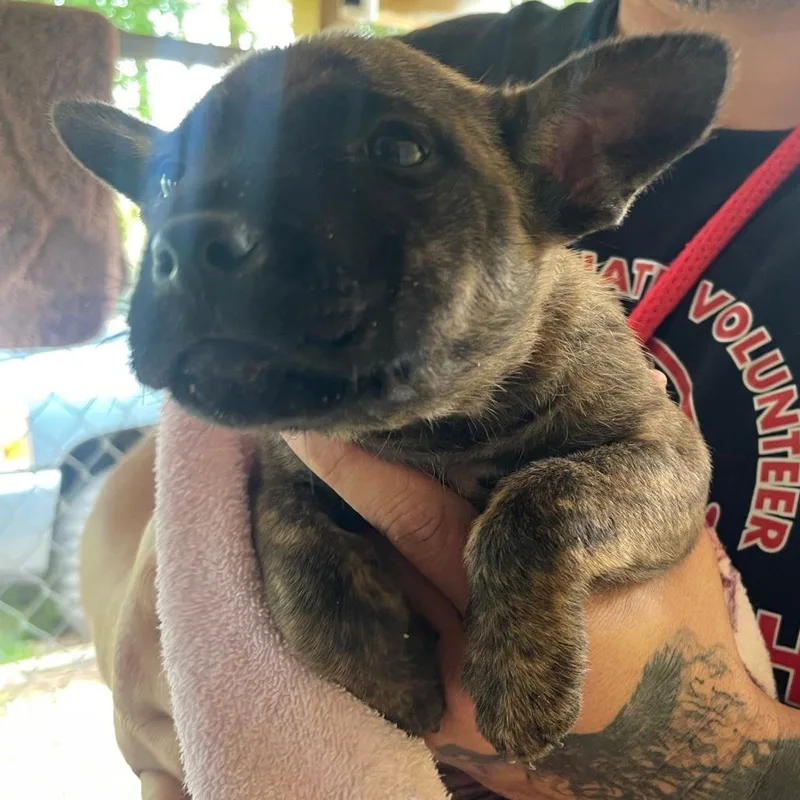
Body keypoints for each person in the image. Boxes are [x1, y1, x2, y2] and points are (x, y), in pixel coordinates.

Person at [91, 0, 800, 796]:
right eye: (171, 181)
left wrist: (723, 756)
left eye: (393, 152)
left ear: (573, 165)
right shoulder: (405, 61)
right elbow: (163, 497)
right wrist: (175, 641)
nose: (204, 227)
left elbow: (661, 462)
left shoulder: (469, 128)